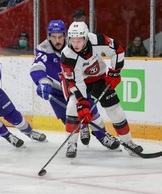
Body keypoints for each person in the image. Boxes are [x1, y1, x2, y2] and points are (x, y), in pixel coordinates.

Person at [30, 19, 120, 150]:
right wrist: (42, 81)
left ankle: (102, 136)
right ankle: (76, 136)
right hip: (57, 90)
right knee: (68, 118)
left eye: (60, 37)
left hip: (76, 86)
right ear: (49, 36)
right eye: (54, 37)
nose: (57, 41)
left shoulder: (75, 44)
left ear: (66, 35)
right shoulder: (44, 49)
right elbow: (36, 67)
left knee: (91, 111)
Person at [60, 21, 144, 158]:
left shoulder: (97, 40)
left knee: (115, 109)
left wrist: (115, 72)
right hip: (79, 82)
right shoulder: (67, 55)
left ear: (86, 37)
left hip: (99, 79)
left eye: (79, 40)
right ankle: (71, 143)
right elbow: (75, 82)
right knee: (72, 107)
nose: (75, 44)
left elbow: (117, 50)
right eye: (73, 40)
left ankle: (128, 143)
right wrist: (82, 103)